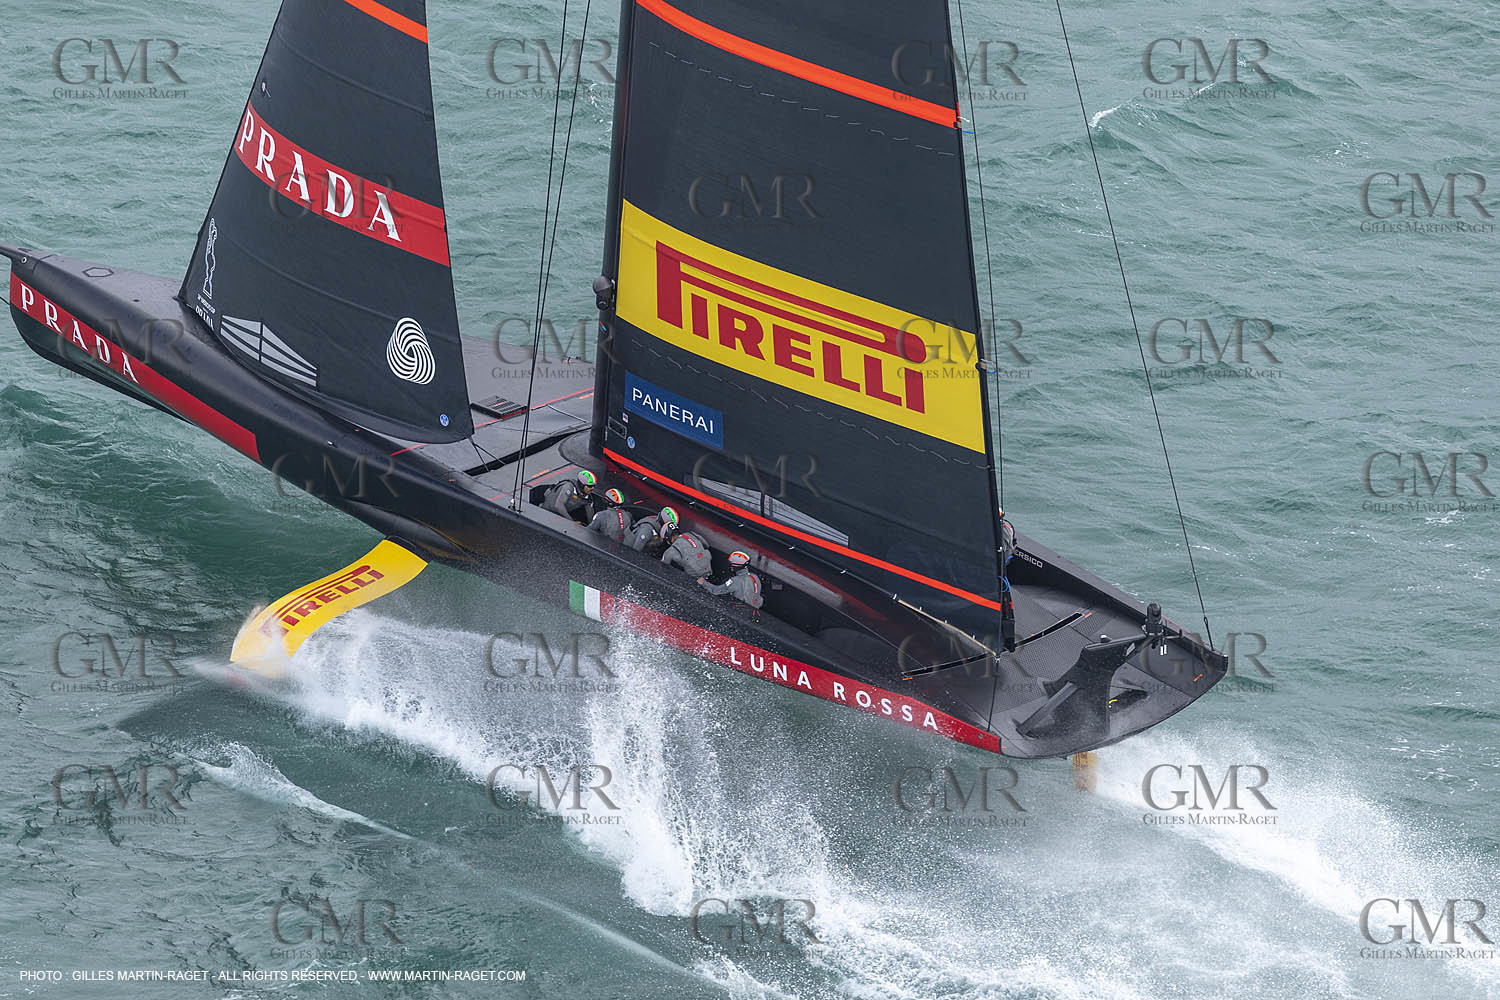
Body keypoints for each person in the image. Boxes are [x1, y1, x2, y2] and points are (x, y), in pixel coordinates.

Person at [699, 550, 763, 609]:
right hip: (753, 608)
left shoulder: (735, 580)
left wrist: (703, 582)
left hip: (738, 610)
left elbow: (716, 591)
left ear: (734, 566)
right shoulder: (754, 577)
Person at [998, 508, 1017, 651]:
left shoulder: (1004, 530)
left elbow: (1002, 552)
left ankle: (1008, 642)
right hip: (998, 568)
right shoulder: (1005, 528)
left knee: (1005, 605)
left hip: (999, 571)